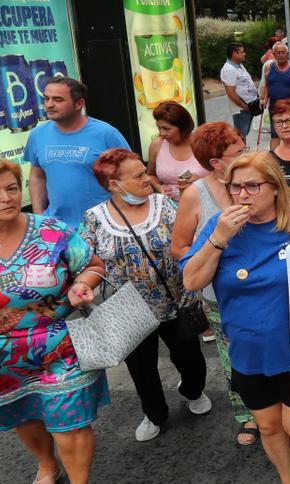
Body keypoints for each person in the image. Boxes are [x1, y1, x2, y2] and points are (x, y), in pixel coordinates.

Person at [181, 152, 290, 484]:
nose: (242, 194)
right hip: (248, 349)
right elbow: (192, 281)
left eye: (252, 186)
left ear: (275, 188)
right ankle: (288, 479)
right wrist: (220, 237)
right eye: (235, 187)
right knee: (268, 425)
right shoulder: (220, 226)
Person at [0, 157, 109, 484]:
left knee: (71, 423)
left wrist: (82, 283)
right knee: (25, 414)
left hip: (61, 347)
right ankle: (46, 463)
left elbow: (92, 265)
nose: (6, 197)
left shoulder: (51, 231)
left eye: (11, 188)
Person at [82, 148, 210, 442]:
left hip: (176, 300)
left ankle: (192, 390)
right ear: (114, 184)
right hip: (128, 309)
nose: (146, 178)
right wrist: (84, 283)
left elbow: (188, 241)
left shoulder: (164, 205)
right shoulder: (94, 218)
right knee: (142, 369)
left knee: (191, 359)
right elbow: (89, 261)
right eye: (138, 175)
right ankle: (155, 413)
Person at [168, 121, 257, 446]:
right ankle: (247, 415)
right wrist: (216, 248)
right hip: (220, 294)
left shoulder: (254, 180)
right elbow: (179, 247)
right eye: (238, 152)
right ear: (217, 163)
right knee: (233, 355)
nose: (246, 155)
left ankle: (281, 407)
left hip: (267, 287)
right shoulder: (196, 194)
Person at [24, 77, 131, 228]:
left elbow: (131, 175)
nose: (49, 105)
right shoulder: (37, 134)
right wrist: (39, 215)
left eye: (58, 99)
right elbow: (37, 175)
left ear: (79, 103)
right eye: (46, 98)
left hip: (102, 225)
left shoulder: (106, 134)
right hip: (56, 226)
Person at [146, 101, 206, 202]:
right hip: (170, 206)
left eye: (166, 129)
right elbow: (151, 174)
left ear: (183, 127)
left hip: (201, 202)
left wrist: (202, 182)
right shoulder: (157, 144)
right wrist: (159, 187)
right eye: (159, 128)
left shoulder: (204, 143)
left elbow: (222, 175)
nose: (162, 133)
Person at [259, 42, 290, 149]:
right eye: (278, 53)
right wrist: (263, 99)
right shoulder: (269, 67)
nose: (281, 55)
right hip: (275, 109)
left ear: (287, 54)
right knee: (275, 135)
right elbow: (266, 85)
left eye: (283, 52)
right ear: (274, 55)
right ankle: (274, 160)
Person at [221, 42, 260, 139]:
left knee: (243, 134)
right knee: (240, 136)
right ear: (234, 53)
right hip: (241, 109)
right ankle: (241, 153)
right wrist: (244, 106)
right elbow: (231, 92)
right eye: (242, 52)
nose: (244, 54)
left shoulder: (239, 65)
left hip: (248, 106)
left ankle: (243, 152)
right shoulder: (229, 69)